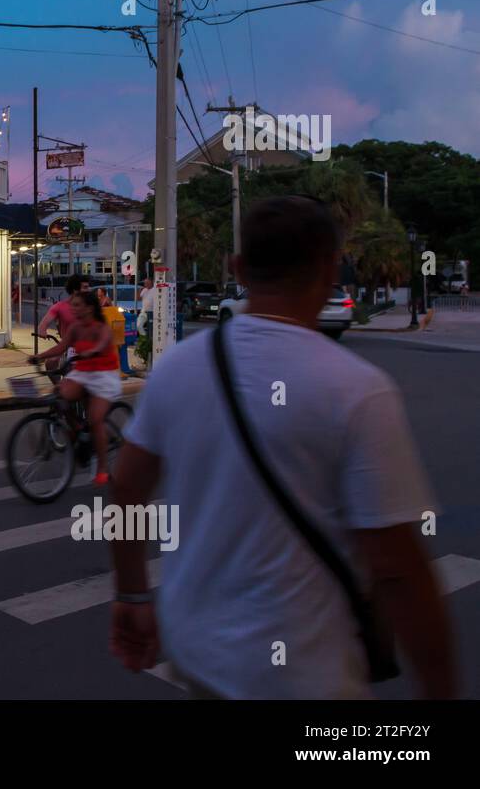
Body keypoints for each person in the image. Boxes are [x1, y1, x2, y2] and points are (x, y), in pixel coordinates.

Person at [108, 196, 456, 699]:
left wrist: (132, 594)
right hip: (306, 679)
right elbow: (399, 569)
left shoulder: (178, 369)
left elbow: (127, 489)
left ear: (238, 268)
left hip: (202, 662)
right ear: (330, 267)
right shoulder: (358, 388)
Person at [32, 288, 120, 486]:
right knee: (59, 396)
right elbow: (61, 347)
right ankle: (78, 428)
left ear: (89, 308)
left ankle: (103, 469)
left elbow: (104, 341)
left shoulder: (100, 327)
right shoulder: (75, 328)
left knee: (96, 419)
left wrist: (94, 350)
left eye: (77, 305)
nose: (73, 309)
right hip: (83, 373)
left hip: (104, 376)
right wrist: (39, 356)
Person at [35, 274, 88, 352]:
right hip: (67, 348)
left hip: (88, 348)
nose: (88, 290)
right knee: (51, 362)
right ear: (75, 289)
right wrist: (42, 330)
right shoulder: (59, 306)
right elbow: (44, 324)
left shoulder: (91, 306)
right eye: (85, 287)